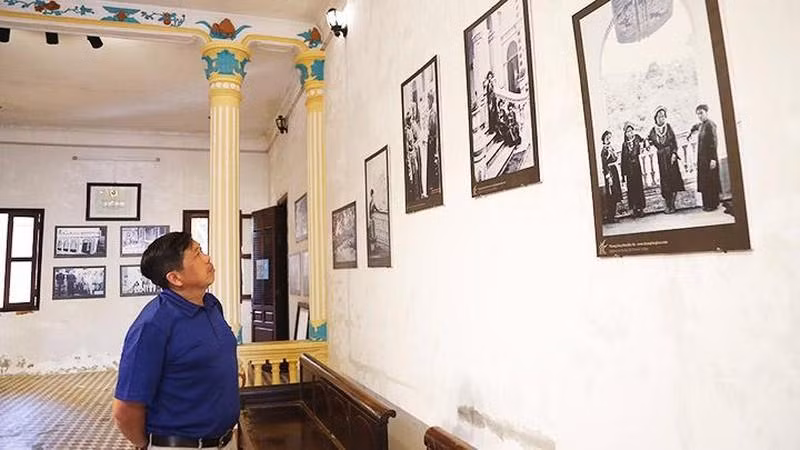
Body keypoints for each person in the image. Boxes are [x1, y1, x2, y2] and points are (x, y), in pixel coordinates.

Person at [112, 231, 239, 450]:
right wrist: (148, 445)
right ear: (175, 278)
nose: (207, 258)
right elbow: (126, 409)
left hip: (225, 440)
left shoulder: (211, 305)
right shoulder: (152, 325)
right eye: (197, 254)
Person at [647, 106, 684, 214]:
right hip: (661, 158)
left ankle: (673, 204)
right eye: (659, 116)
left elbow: (674, 142)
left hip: (670, 156)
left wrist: (674, 154)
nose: (661, 118)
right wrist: (646, 143)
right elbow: (649, 140)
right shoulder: (653, 130)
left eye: (663, 116)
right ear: (655, 118)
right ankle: (668, 204)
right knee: (665, 181)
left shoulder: (668, 127)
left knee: (674, 180)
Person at [690, 104, 722, 211]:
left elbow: (714, 141)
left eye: (701, 113)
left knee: (711, 181)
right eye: (698, 114)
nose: (700, 116)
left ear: (706, 113)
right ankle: (707, 203)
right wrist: (690, 132)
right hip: (702, 158)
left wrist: (713, 159)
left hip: (709, 158)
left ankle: (712, 204)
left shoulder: (710, 125)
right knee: (705, 181)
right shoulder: (702, 125)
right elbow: (696, 126)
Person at [620, 122, 646, 218]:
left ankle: (641, 209)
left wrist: (644, 145)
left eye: (631, 131)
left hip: (637, 168)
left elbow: (645, 140)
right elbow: (623, 159)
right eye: (628, 132)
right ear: (625, 134)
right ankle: (634, 209)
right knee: (632, 189)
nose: (630, 133)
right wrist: (623, 175)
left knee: (639, 188)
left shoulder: (637, 139)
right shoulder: (624, 145)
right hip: (629, 170)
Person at [600, 130, 622, 223]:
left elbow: (615, 158)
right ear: (604, 139)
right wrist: (608, 177)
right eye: (607, 138)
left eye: (610, 138)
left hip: (614, 170)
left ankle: (613, 215)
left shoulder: (611, 148)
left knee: (615, 193)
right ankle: (610, 217)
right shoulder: (604, 150)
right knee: (611, 193)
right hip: (610, 172)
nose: (609, 139)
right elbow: (604, 164)